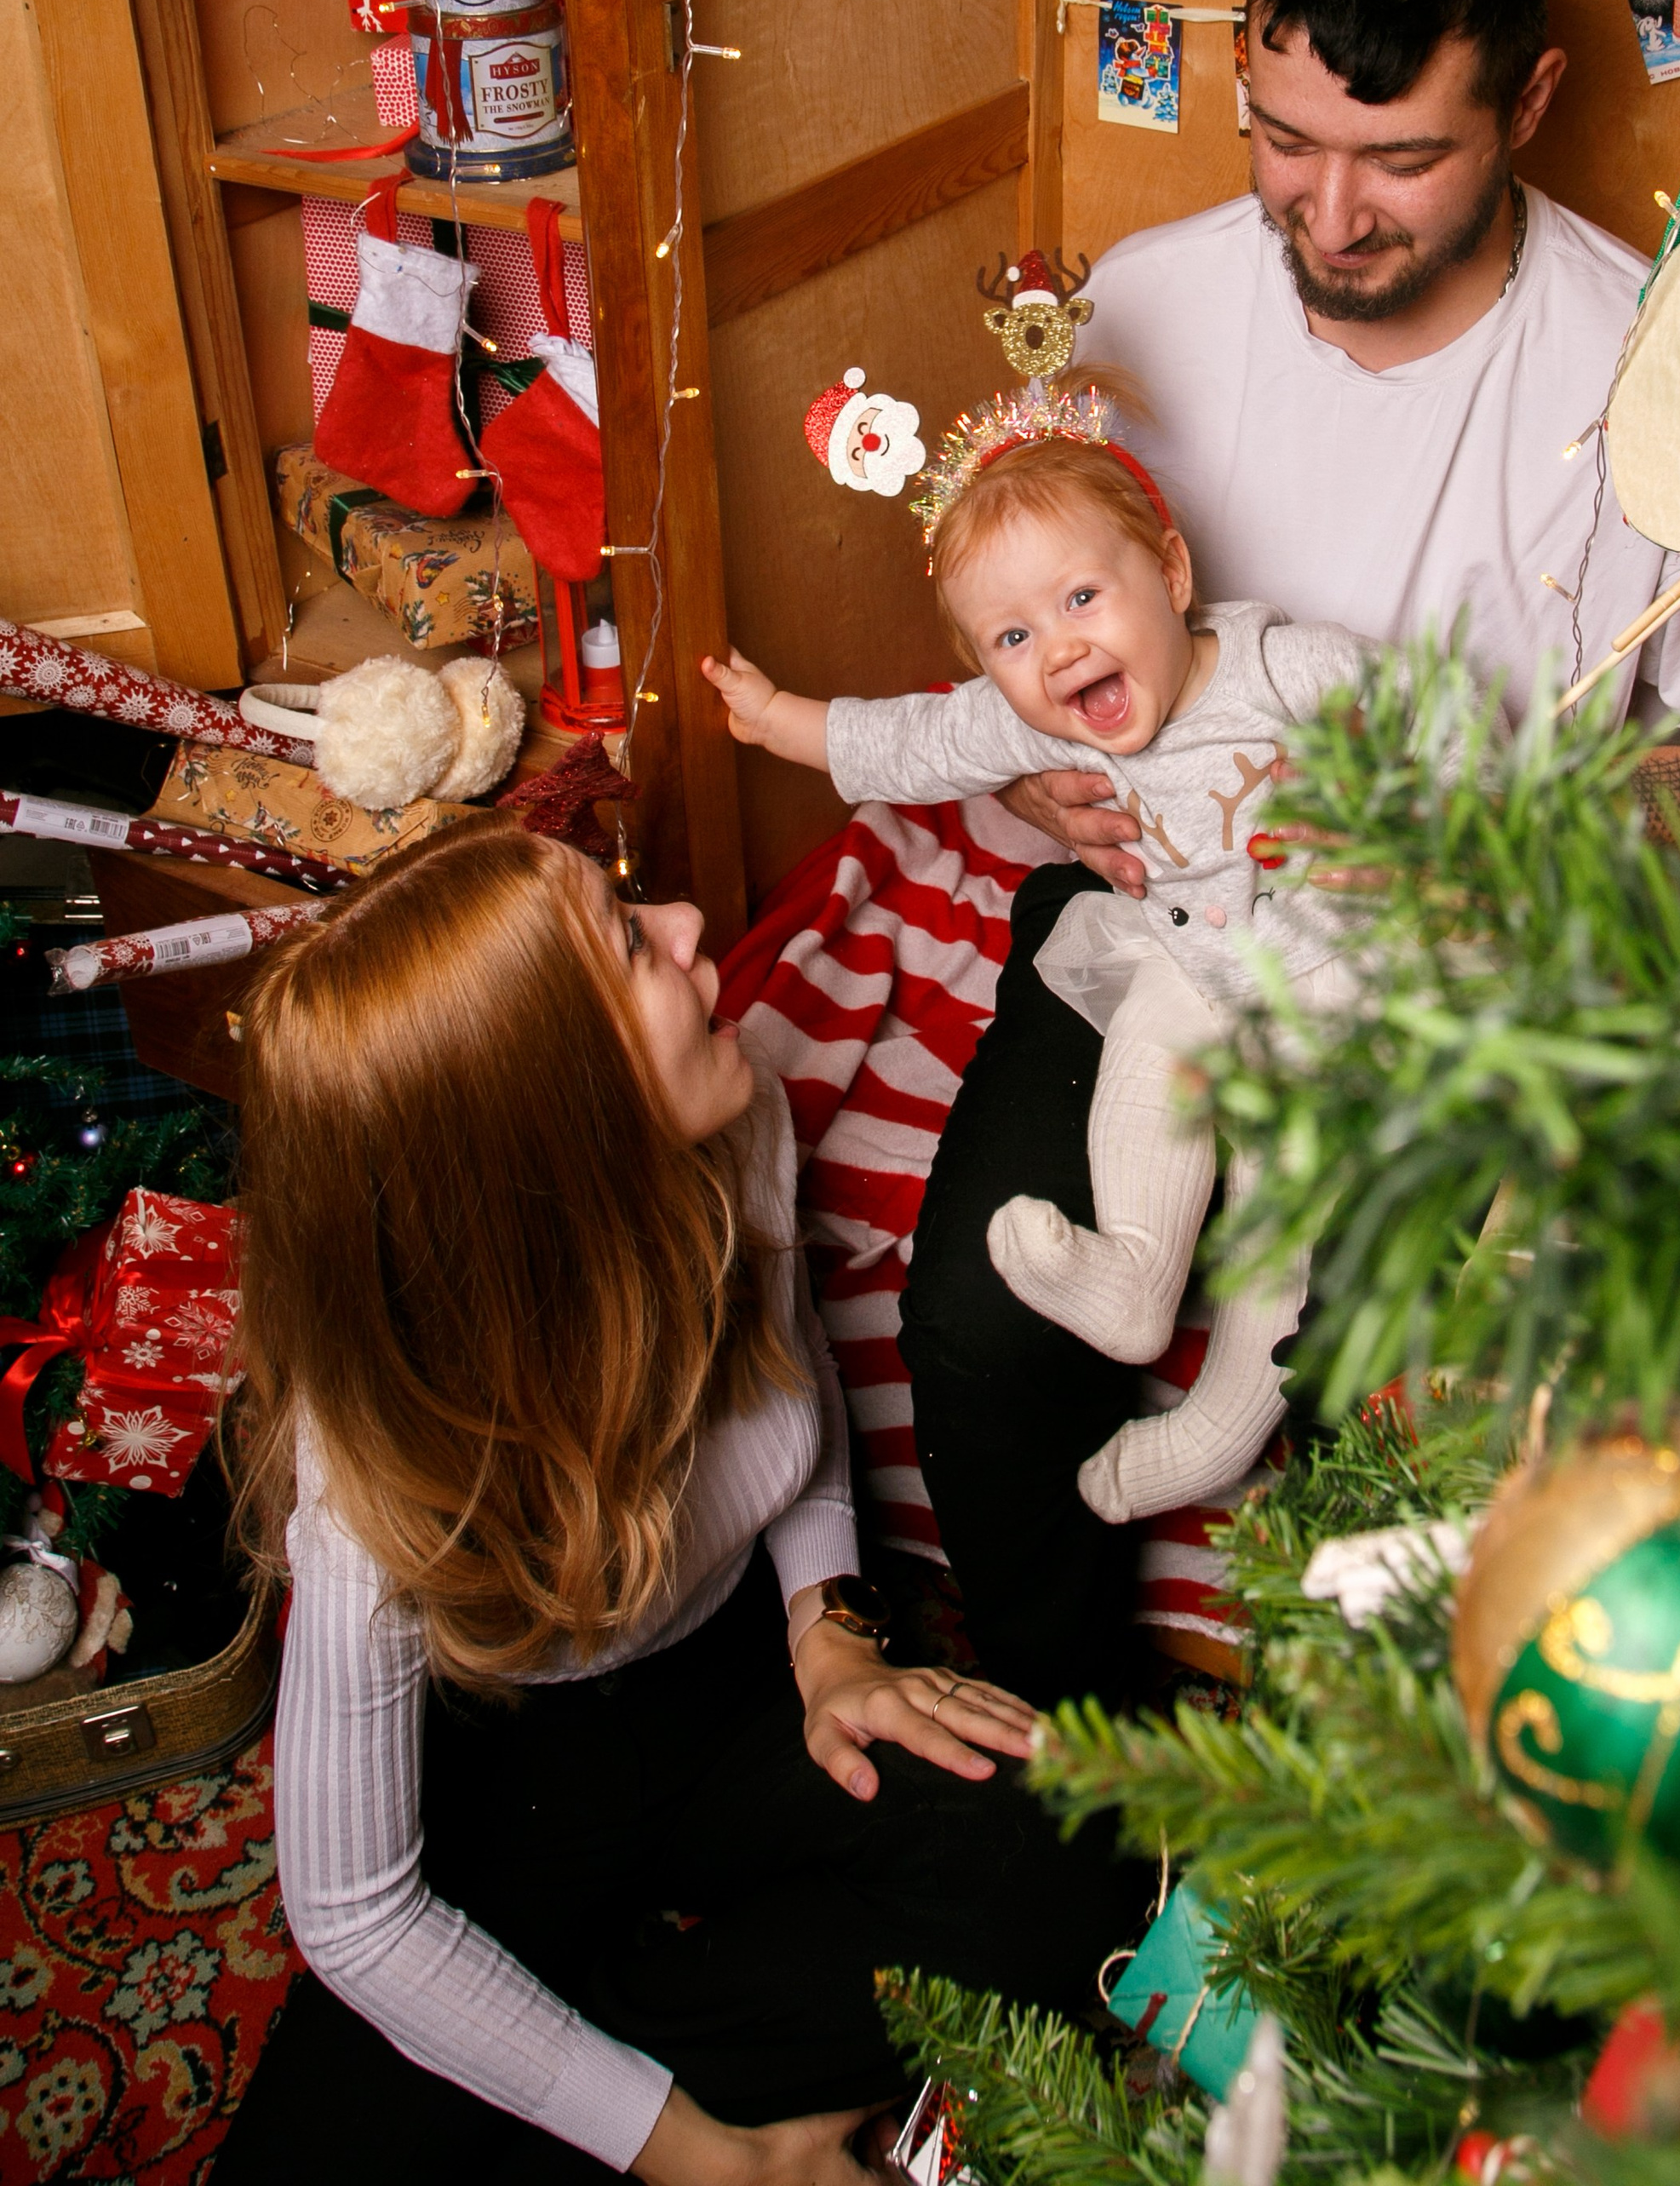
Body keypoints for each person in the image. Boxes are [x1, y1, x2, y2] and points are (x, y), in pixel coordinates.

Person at [897, 0, 1680, 1710]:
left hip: (1432, 978)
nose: (1329, 209)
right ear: (1241, 70)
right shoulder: (1134, 300)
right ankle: (1072, 1762)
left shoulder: (1643, 358)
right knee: (975, 1321)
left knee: (1393, 1402)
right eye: (1283, 140)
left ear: (1529, 102)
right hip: (1161, 918)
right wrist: (1043, 774)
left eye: (1401, 159)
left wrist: (1500, 850)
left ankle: (1325, 1871)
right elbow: (1024, 616)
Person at [217, 817, 1143, 2186]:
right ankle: (643, 2098)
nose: (699, 927)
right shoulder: (378, 1478)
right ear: (557, 1107)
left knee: (1083, 1863)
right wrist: (698, 2153)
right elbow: (358, 1915)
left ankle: (586, 2063)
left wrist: (830, 1631)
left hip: (734, 1681)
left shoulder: (737, 1108)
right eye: (635, 945)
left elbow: (799, 1401)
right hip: (518, 1760)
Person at [706, 407, 1482, 1538]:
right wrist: (777, 718)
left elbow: (1445, 718)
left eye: (1080, 599)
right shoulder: (1050, 728)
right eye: (1010, 639)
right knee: (1142, 1061)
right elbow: (911, 747)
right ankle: (1132, 1274)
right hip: (1181, 960)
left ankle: (1213, 1432)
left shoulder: (1287, 669)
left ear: (1170, 572)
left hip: (1323, 975)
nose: (1057, 648)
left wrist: (1424, 836)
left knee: (1285, 1214)